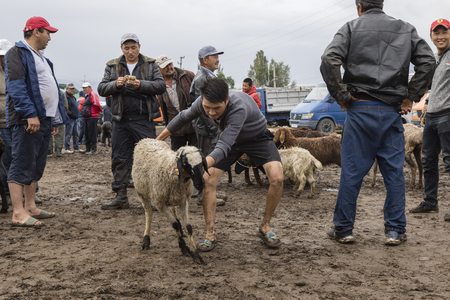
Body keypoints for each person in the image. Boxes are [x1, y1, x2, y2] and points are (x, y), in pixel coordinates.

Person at [320, 0, 435, 245]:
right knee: (394, 173)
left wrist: (341, 94)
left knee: (351, 172)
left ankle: (343, 230)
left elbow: (329, 59)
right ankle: (394, 231)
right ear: (382, 4)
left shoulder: (351, 27)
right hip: (391, 112)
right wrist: (410, 96)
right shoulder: (405, 28)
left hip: (360, 109)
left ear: (359, 6)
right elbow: (427, 62)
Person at [157, 76, 284, 252]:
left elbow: (223, 146)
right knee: (208, 180)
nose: (211, 113)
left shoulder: (238, 107)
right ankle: (210, 235)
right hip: (229, 140)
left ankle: (266, 227)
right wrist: (158, 140)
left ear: (227, 100)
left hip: (257, 138)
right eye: (207, 108)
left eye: (217, 108)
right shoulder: (202, 103)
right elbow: (182, 117)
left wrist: (200, 165)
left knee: (277, 178)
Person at [4, 16, 69, 227]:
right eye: (48, 32)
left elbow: (49, 88)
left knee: (36, 164)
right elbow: (16, 86)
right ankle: (18, 212)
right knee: (22, 162)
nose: (50, 37)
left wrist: (56, 118)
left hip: (45, 118)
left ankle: (30, 206)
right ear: (36, 32)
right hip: (28, 119)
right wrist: (29, 114)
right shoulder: (17, 53)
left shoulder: (42, 58)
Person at [98, 33, 165, 210]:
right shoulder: (112, 65)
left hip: (144, 120)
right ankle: (121, 196)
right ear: (122, 49)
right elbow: (102, 88)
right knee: (119, 157)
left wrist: (140, 85)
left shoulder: (150, 64)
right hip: (120, 121)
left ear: (139, 47)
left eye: (133, 47)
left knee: (149, 159)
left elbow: (160, 86)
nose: (130, 51)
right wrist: (116, 84)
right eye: (126, 48)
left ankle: (152, 198)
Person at [410, 19, 450, 221]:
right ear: (431, 36)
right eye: (437, 33)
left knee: (449, 161)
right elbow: (435, 87)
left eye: (444, 32)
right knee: (428, 161)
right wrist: (428, 103)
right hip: (432, 117)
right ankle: (430, 202)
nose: (440, 36)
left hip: (448, 115)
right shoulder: (436, 58)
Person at [190, 45, 224, 205]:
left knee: (206, 158)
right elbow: (202, 109)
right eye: (214, 56)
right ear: (205, 60)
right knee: (206, 158)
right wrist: (213, 129)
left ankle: (207, 192)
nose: (217, 60)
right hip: (206, 128)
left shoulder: (206, 77)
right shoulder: (201, 79)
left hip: (207, 126)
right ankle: (204, 195)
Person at [156, 54, 197, 151]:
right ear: (158, 69)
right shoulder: (158, 84)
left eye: (170, 64)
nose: (169, 67)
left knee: (196, 157)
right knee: (176, 158)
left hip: (193, 126)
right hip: (175, 129)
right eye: (165, 66)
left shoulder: (188, 75)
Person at [80, 82, 102, 154]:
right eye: (83, 88)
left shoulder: (92, 94)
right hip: (88, 117)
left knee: (92, 133)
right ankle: (88, 148)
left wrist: (99, 111)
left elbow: (97, 103)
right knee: (87, 133)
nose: (84, 89)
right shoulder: (88, 95)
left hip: (92, 116)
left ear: (89, 87)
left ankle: (93, 149)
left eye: (85, 87)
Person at [48, 88, 67, 157]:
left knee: (48, 132)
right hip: (59, 117)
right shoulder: (61, 92)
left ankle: (49, 150)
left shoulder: (46, 90)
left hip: (48, 116)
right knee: (59, 134)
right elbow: (65, 106)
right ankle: (58, 152)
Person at [64, 83, 80, 153]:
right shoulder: (66, 96)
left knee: (76, 134)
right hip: (70, 118)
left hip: (75, 119)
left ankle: (76, 147)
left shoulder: (73, 97)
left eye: (73, 88)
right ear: (67, 89)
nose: (72, 90)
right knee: (68, 134)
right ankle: (67, 148)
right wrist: (70, 114)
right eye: (70, 89)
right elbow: (65, 107)